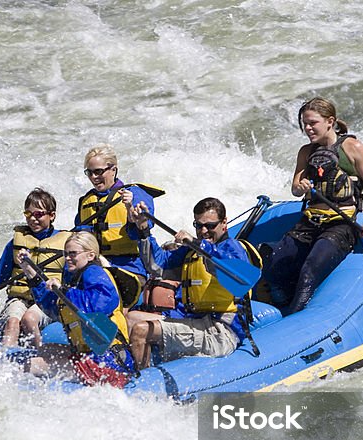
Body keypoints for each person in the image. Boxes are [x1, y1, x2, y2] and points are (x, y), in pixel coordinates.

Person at [263, 97, 363, 315]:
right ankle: (279, 308)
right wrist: (302, 186)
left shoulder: (354, 148)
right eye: (304, 123)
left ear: (330, 121)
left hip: (342, 223)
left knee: (309, 271)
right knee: (275, 269)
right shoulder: (306, 152)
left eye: (312, 123)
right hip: (311, 220)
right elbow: (295, 189)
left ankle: (294, 316)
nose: (308, 128)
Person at [127, 197, 257, 369]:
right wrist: (143, 229)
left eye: (210, 226)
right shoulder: (191, 251)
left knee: (141, 330)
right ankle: (129, 367)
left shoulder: (232, 247)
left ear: (224, 222)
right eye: (198, 226)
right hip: (196, 322)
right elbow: (155, 266)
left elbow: (239, 277)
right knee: (131, 318)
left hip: (220, 331)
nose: (204, 231)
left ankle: (143, 382)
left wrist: (199, 244)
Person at [15, 231, 135, 388]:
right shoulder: (76, 279)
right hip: (90, 356)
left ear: (90, 255)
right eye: (66, 254)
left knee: (28, 365)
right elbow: (53, 307)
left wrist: (65, 291)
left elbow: (98, 305)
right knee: (44, 350)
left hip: (109, 365)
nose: (68, 258)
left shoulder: (96, 273)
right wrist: (30, 272)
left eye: (73, 254)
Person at [0, 188, 70, 348]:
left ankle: (36, 358)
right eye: (28, 214)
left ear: (52, 215)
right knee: (12, 322)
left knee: (29, 318)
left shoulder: (66, 243)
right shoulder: (16, 243)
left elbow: (72, 279)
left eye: (38, 214)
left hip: (48, 300)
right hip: (20, 299)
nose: (33, 219)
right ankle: (5, 361)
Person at [74, 144, 163, 286]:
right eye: (89, 173)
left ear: (113, 170)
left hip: (129, 268)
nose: (94, 177)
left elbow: (143, 230)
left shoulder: (135, 194)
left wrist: (132, 213)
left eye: (98, 171)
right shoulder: (86, 201)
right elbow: (78, 238)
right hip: (95, 266)